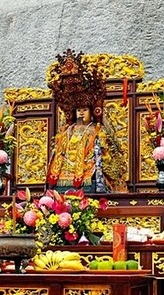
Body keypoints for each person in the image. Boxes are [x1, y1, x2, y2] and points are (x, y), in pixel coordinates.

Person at [45, 49, 126, 193]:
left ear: (92, 111)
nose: (81, 112)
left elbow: (105, 152)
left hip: (87, 167)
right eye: (78, 110)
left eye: (84, 109)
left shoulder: (96, 129)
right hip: (65, 169)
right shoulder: (67, 130)